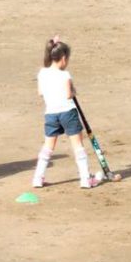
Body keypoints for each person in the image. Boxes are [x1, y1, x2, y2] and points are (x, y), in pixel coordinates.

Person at [32, 36, 100, 189]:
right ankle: (85, 179)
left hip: (51, 114)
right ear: (63, 58)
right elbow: (69, 95)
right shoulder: (65, 75)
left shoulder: (42, 73)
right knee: (78, 146)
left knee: (48, 146)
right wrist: (74, 90)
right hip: (67, 113)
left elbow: (40, 93)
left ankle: (38, 178)